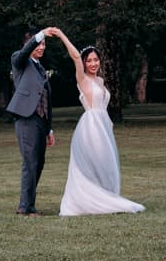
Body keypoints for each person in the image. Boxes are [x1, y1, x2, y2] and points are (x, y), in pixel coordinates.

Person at [50, 27, 145, 217]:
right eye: (89, 61)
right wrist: (61, 35)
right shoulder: (82, 79)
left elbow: (104, 104)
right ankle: (88, 201)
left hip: (104, 126)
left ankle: (105, 196)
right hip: (91, 127)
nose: (93, 63)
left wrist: (109, 125)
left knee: (105, 163)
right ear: (84, 63)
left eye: (95, 60)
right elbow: (75, 57)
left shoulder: (100, 81)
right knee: (93, 162)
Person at [6, 26, 57, 216]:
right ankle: (23, 207)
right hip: (26, 118)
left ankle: (30, 205)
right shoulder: (19, 60)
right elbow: (25, 51)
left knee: (39, 162)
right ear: (29, 43)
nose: (42, 47)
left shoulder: (40, 68)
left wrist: (49, 129)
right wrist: (41, 34)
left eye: (44, 44)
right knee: (30, 162)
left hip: (41, 121)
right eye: (39, 44)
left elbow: (47, 98)